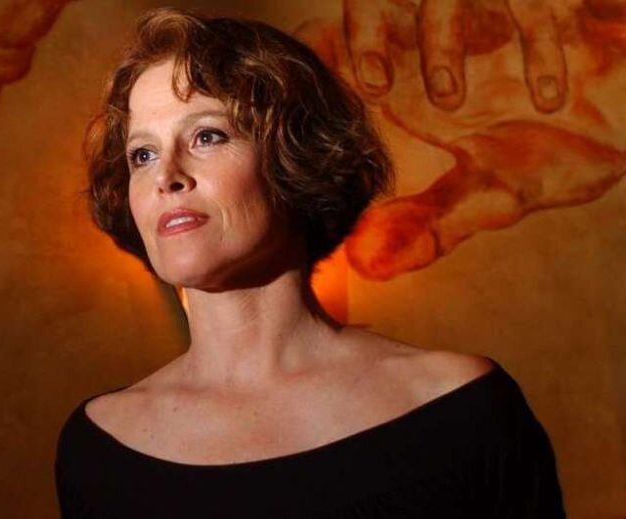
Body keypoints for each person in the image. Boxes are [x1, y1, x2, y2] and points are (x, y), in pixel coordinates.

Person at [54, 7, 566, 518]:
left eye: (207, 136)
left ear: (296, 158)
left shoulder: (463, 413)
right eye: (142, 155)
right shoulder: (98, 452)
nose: (166, 175)